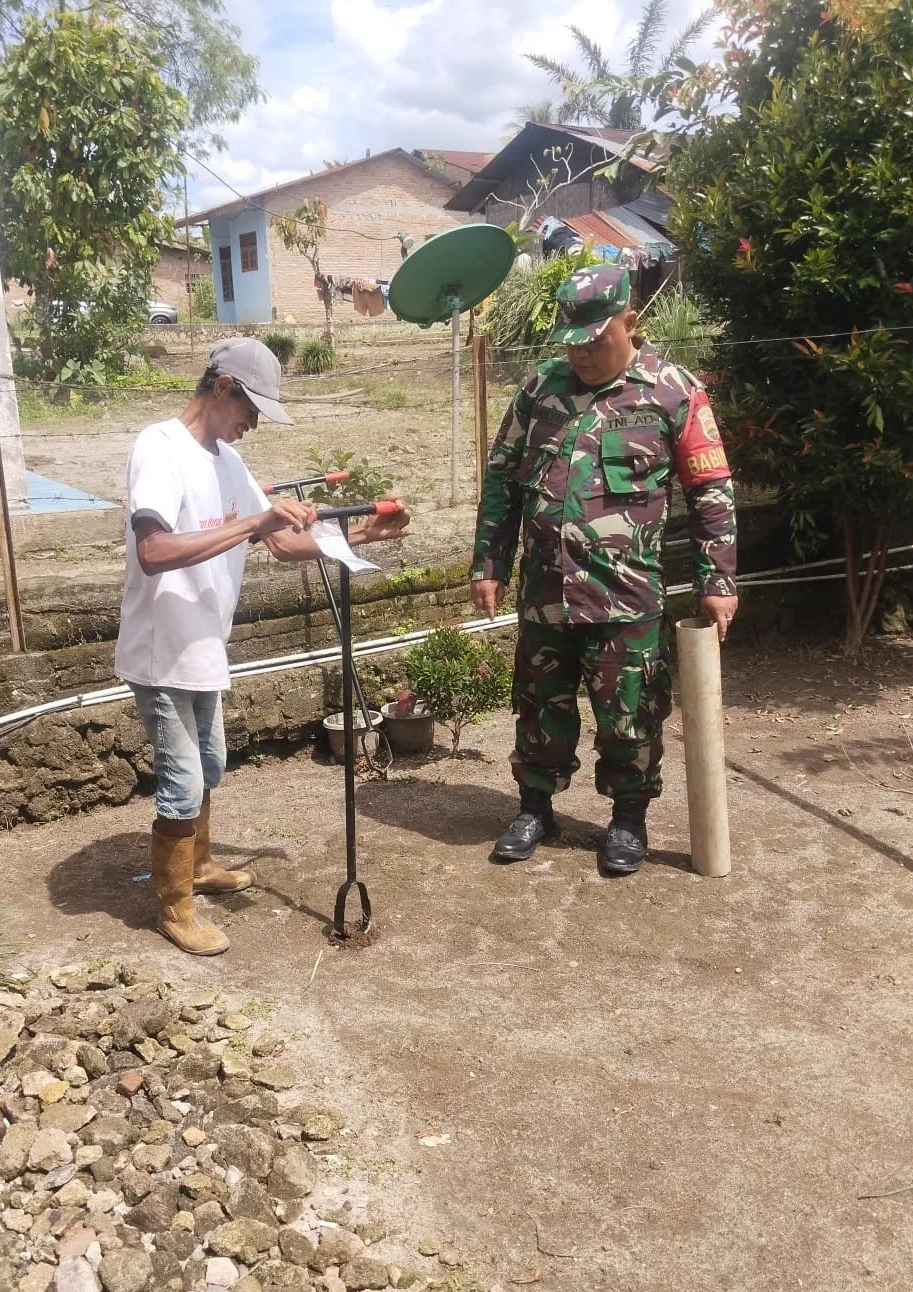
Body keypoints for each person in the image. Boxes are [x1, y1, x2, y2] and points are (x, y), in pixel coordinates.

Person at [115, 336, 409, 956]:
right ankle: (175, 909)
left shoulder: (224, 458)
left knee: (210, 766)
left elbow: (280, 542)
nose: (252, 424)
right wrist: (252, 521)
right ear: (222, 387)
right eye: (250, 409)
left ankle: (197, 865)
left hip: (202, 646)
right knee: (183, 782)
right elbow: (153, 551)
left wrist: (361, 533)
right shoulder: (159, 448)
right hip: (161, 650)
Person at [469, 265, 737, 873]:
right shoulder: (540, 389)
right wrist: (488, 561)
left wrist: (717, 581)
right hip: (545, 590)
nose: (585, 352)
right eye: (575, 340)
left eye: (598, 337)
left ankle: (627, 820)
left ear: (631, 322)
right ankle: (535, 807)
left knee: (631, 710)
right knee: (539, 703)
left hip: (626, 595)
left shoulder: (674, 391)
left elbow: (711, 491)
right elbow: (502, 481)